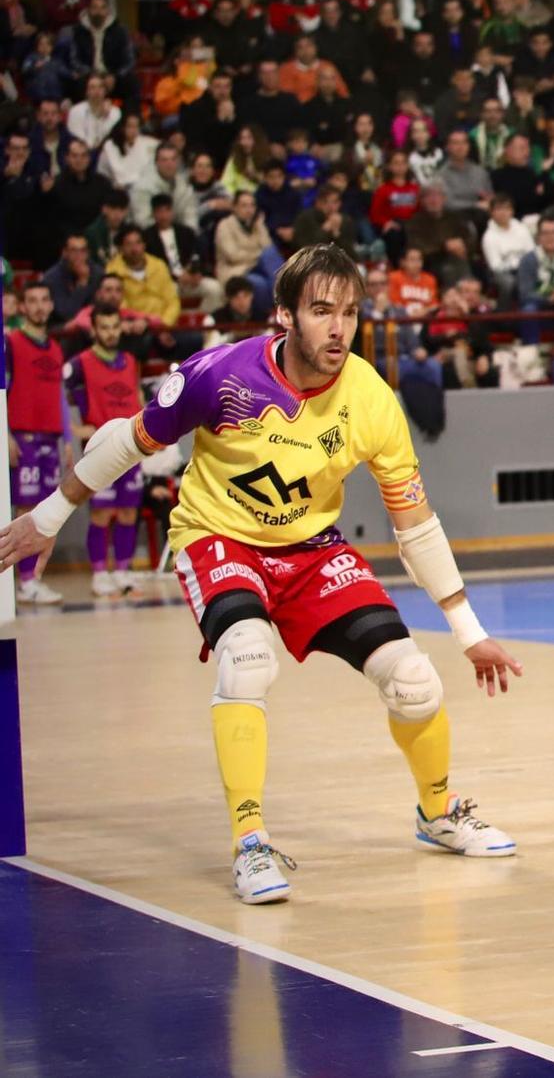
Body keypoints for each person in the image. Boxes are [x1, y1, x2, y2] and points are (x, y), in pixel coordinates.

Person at [0, 246, 523, 904]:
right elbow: (126, 440)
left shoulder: (371, 400)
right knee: (247, 660)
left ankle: (438, 813)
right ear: (284, 316)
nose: (339, 329)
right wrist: (48, 516)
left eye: (351, 313)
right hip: (218, 537)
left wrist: (469, 632)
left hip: (310, 549)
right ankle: (250, 841)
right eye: (322, 311)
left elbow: (414, 524)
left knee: (415, 681)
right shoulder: (218, 374)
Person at [63, 304, 145, 596]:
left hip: (131, 446)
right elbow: (57, 395)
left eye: (114, 326)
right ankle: (99, 574)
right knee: (101, 513)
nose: (111, 333)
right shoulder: (79, 363)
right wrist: (73, 429)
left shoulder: (130, 360)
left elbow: (138, 398)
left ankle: (122, 572)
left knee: (127, 512)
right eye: (105, 327)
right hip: (99, 449)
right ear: (94, 329)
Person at [6, 281, 68, 606]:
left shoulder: (56, 349)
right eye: (32, 301)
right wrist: (5, 433)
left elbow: (58, 397)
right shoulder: (11, 343)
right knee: (24, 510)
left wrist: (67, 440)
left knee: (45, 510)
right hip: (23, 438)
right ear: (22, 306)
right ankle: (24, 582)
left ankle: (32, 581)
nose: (40, 306)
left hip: (50, 438)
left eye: (45, 300)